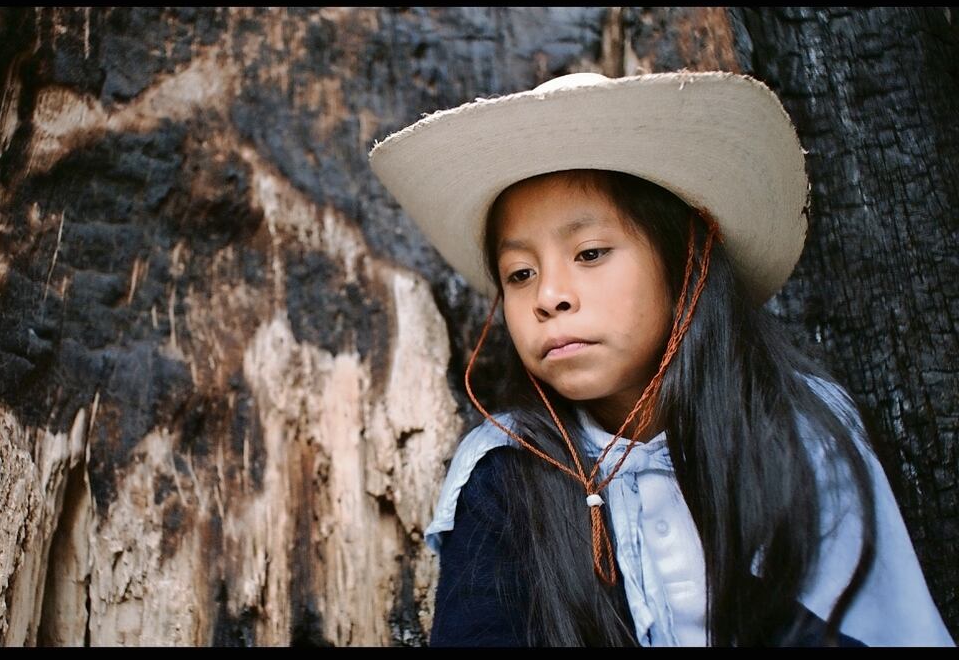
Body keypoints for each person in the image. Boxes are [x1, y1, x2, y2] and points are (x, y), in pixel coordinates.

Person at [367, 71, 955, 647]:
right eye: (520, 273)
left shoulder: (796, 427)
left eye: (590, 253)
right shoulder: (503, 472)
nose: (549, 296)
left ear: (685, 262)